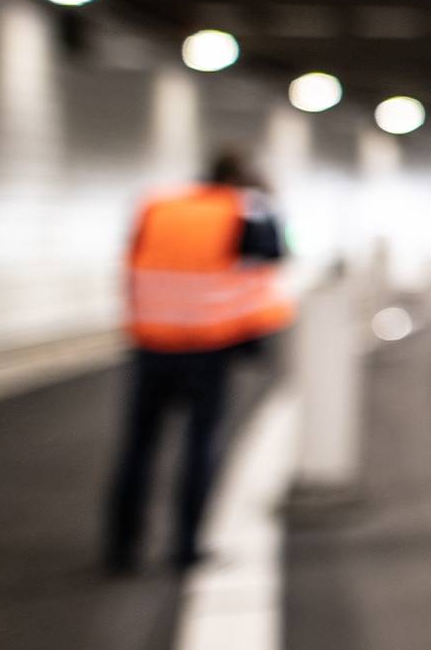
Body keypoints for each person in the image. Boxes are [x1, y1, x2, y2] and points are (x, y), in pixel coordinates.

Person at [103, 148, 292, 573]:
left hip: (151, 343)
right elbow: (277, 253)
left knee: (138, 447)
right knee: (199, 446)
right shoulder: (245, 209)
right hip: (207, 346)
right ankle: (185, 547)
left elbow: (134, 259)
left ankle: (121, 548)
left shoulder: (158, 205)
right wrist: (265, 202)